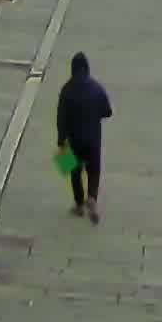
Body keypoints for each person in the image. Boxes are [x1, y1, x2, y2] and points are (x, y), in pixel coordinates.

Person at [56, 53, 113, 221]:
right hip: (93, 140)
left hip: (74, 141)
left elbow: (61, 118)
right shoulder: (96, 88)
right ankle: (92, 198)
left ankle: (79, 204)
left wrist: (61, 140)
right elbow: (107, 112)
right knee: (94, 170)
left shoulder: (67, 90)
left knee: (74, 171)